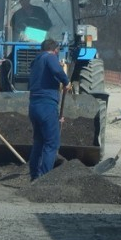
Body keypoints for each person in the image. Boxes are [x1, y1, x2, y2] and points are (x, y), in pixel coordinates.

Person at [28, 38, 71, 181]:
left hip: (34, 105)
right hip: (47, 105)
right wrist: (66, 81)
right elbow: (57, 70)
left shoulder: (35, 61)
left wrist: (57, 115)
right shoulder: (50, 57)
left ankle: (34, 177)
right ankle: (44, 179)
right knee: (52, 143)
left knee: (39, 142)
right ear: (56, 50)